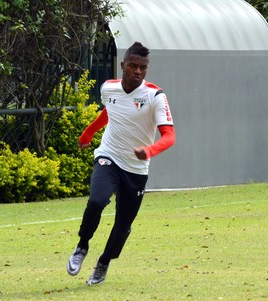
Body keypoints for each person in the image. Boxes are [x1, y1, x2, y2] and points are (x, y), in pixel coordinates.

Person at [66, 41, 176, 285]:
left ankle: (103, 262)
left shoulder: (155, 96)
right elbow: (110, 112)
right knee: (97, 200)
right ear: (123, 65)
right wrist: (88, 133)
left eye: (143, 68)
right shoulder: (109, 88)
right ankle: (81, 246)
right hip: (109, 156)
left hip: (136, 169)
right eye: (133, 66)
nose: (138, 71)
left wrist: (149, 150)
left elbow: (169, 136)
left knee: (123, 225)